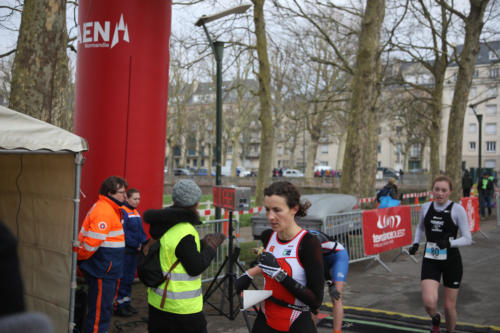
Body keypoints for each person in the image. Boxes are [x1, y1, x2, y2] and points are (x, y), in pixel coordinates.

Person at [235, 181, 324, 333]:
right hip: (266, 316)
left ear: (294, 209)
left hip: (295, 320)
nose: (270, 217)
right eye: (267, 209)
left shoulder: (308, 243)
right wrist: (249, 273)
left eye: (277, 210)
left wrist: (280, 275)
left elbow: (315, 301)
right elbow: (269, 264)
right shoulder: (268, 236)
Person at [143, 179, 225, 333]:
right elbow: (195, 267)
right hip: (181, 309)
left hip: (158, 303)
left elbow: (174, 252)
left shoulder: (163, 224)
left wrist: (200, 243)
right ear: (195, 203)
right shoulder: (184, 231)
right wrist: (211, 247)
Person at [408, 175, 472, 333]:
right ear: (432, 191)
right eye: (437, 189)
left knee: (449, 306)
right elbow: (421, 228)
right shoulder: (425, 207)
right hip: (431, 259)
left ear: (450, 192)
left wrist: (449, 243)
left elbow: (468, 239)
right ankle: (436, 317)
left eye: (444, 190)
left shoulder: (457, 210)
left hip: (452, 261)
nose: (440, 193)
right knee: (429, 303)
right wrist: (416, 242)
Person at [77, 176, 128, 333]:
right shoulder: (104, 211)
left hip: (106, 269)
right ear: (109, 193)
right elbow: (91, 244)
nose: (125, 196)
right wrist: (80, 258)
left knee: (102, 311)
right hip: (102, 271)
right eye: (122, 193)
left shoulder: (109, 209)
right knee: (99, 314)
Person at [114, 188, 148, 317]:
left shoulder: (136, 212)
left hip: (135, 252)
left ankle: (126, 303)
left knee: (129, 279)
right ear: (126, 198)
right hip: (127, 252)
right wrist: (136, 244)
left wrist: (144, 243)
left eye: (139, 199)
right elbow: (124, 233)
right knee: (122, 279)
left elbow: (140, 231)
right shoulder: (123, 212)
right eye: (134, 199)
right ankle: (118, 305)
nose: (137, 201)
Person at [309, 230, 349, 333]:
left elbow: (323, 266)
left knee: (336, 296)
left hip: (338, 256)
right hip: (321, 258)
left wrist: (330, 284)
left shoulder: (309, 239)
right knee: (313, 298)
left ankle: (337, 331)